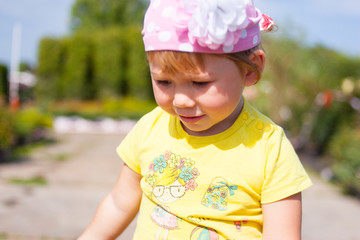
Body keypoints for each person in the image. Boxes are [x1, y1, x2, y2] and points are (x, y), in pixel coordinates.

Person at [78, 0, 312, 239]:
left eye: (199, 83)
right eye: (163, 82)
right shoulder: (151, 128)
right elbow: (120, 202)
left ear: (251, 69)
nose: (181, 101)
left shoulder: (269, 147)